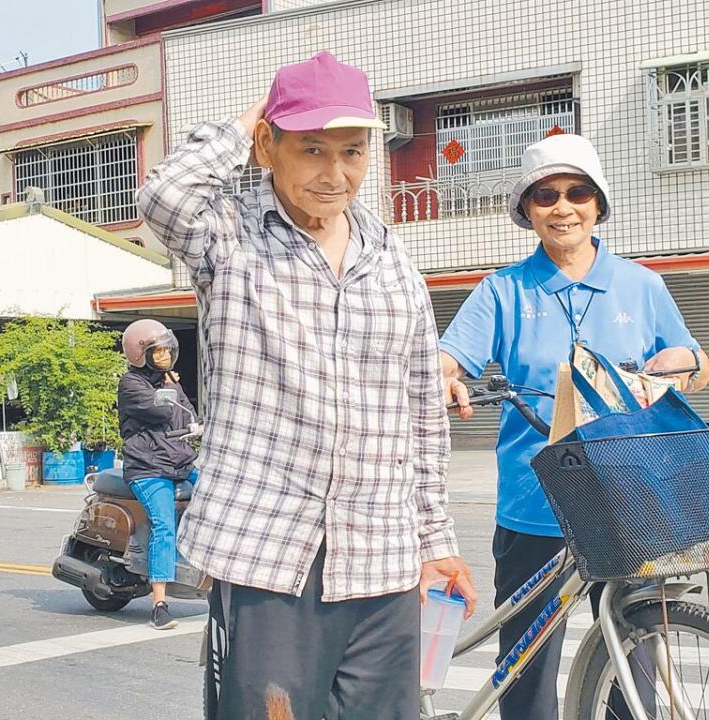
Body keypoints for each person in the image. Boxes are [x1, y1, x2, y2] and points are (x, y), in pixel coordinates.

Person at [137, 51, 477, 719]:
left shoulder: (391, 259)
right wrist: (256, 116)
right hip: (269, 553)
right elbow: (163, 192)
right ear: (269, 145)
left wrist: (435, 543)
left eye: (352, 151)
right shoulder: (228, 234)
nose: (334, 173)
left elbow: (419, 412)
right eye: (311, 148)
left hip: (382, 555)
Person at [439, 132, 709, 720]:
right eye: (546, 195)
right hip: (535, 504)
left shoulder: (643, 285)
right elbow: (448, 360)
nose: (563, 207)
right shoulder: (502, 290)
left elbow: (695, 360)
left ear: (598, 204)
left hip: (631, 497)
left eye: (578, 192)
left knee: (633, 662)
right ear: (528, 211)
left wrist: (682, 369)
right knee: (527, 672)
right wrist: (446, 378)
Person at [118, 318, 200, 631]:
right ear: (141, 355)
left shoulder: (169, 381)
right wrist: (169, 385)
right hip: (148, 467)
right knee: (164, 525)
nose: (165, 355)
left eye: (167, 349)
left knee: (223, 495)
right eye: (158, 351)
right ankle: (160, 605)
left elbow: (187, 413)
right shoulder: (131, 384)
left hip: (179, 462)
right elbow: (163, 411)